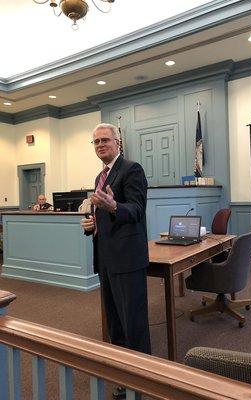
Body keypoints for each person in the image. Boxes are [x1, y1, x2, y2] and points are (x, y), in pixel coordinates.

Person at [80, 123, 151, 397]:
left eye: (105, 140)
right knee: (115, 323)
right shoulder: (101, 175)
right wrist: (92, 224)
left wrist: (113, 206)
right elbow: (104, 216)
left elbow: (136, 209)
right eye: (95, 142)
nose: (100, 145)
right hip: (107, 260)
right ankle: (124, 374)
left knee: (133, 322)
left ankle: (143, 378)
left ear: (117, 142)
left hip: (127, 259)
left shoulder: (131, 169)